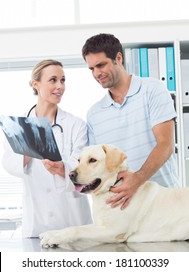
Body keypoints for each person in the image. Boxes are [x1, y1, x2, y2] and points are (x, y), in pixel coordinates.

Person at [82, 33, 180, 210]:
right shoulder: (94, 114)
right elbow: (98, 168)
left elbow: (166, 145)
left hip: (164, 206)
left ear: (118, 58)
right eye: (91, 69)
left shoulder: (153, 90)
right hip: (124, 212)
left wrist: (137, 179)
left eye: (101, 65)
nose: (97, 73)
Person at [2, 59, 92, 238]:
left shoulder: (76, 125)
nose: (60, 86)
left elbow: (82, 165)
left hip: (73, 221)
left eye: (63, 80)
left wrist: (63, 169)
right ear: (36, 84)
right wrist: (26, 154)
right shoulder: (19, 126)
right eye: (53, 80)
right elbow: (8, 162)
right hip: (38, 222)